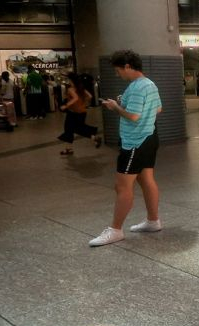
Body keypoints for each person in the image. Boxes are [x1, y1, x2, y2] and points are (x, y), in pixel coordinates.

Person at [89, 50, 163, 247]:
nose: (117, 74)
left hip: (135, 142)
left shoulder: (138, 87)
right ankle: (153, 220)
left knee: (122, 185)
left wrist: (115, 107)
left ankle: (115, 230)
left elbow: (133, 116)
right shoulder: (150, 84)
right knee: (146, 179)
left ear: (128, 66)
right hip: (149, 137)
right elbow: (157, 109)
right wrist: (126, 103)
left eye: (118, 70)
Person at [57, 72, 101, 155]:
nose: (66, 80)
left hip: (73, 113)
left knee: (71, 129)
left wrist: (66, 106)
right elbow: (90, 96)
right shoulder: (80, 88)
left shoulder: (70, 89)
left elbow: (75, 98)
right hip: (82, 112)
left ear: (70, 79)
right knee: (72, 129)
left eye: (67, 79)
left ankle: (94, 138)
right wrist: (84, 104)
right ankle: (69, 149)